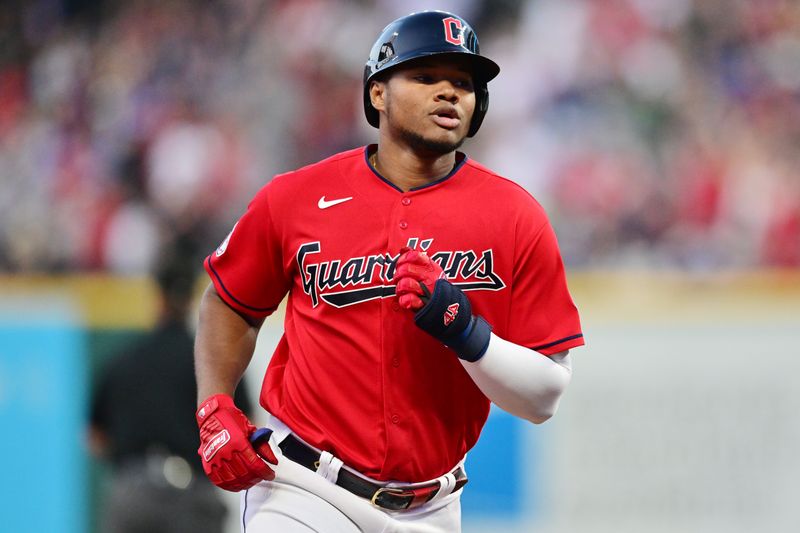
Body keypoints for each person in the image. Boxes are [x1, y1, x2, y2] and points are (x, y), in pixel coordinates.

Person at [194, 10, 584, 533]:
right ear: (378, 93)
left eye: (463, 84)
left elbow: (544, 397)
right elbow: (229, 302)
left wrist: (467, 332)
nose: (449, 93)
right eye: (426, 77)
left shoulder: (515, 216)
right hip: (305, 489)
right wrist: (215, 404)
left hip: (434, 507)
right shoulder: (295, 197)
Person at [89, 244, 253, 533]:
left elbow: (96, 437)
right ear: (193, 298)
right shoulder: (213, 362)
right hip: (192, 492)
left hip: (133, 494)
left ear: (158, 297)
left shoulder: (124, 358)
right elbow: (243, 423)